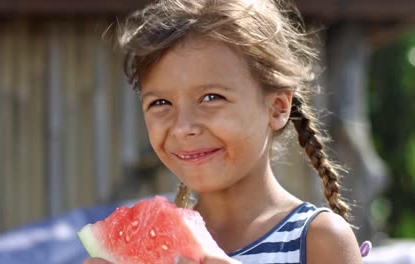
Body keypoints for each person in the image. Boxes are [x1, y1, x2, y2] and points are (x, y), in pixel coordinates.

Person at [85, 0, 365, 263]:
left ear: (278, 108)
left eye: (211, 98)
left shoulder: (320, 239)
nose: (183, 128)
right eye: (161, 103)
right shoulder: (156, 248)